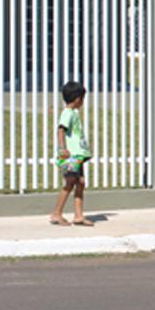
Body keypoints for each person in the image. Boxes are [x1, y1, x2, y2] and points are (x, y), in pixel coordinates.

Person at [49, 81, 93, 226]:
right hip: (71, 156)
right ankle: (56, 213)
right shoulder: (67, 113)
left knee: (80, 183)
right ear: (78, 99)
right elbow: (60, 130)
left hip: (78, 156)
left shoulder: (73, 113)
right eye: (82, 98)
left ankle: (78, 216)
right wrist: (62, 149)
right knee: (70, 183)